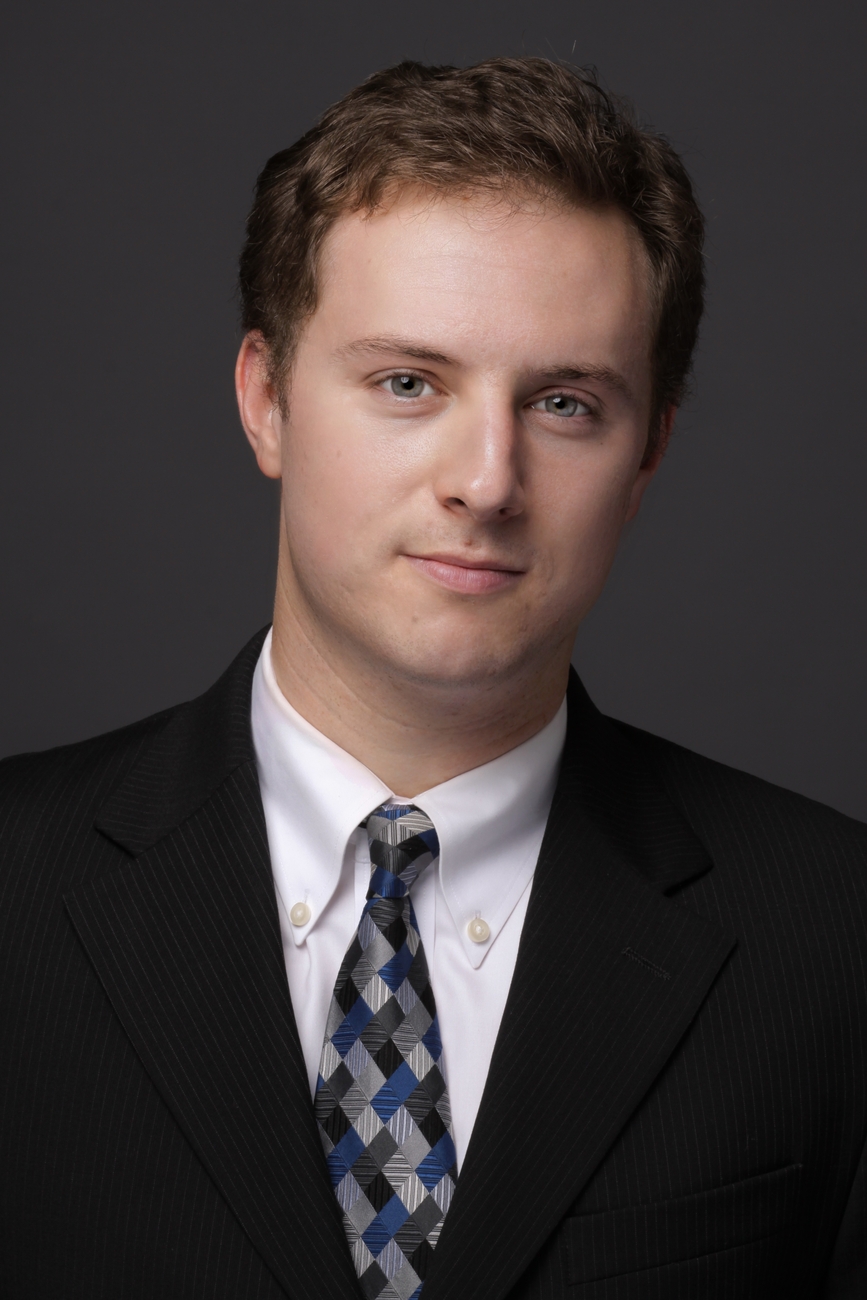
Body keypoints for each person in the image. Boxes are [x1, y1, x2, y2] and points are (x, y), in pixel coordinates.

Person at [0, 56, 864, 1300]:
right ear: (266, 401)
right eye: (409, 383)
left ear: (648, 455)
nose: (487, 480)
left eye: (565, 403)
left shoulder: (836, 943)